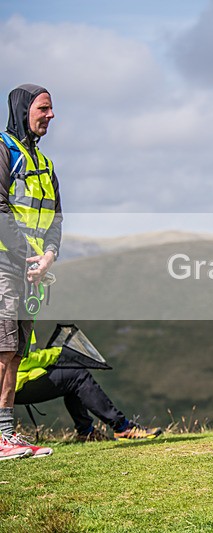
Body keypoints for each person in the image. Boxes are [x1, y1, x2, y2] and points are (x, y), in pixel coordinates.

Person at [0, 84, 62, 460]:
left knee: (17, 351)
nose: (50, 115)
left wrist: (50, 255)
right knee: (3, 348)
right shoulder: (3, 150)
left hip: (32, 269)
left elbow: (57, 217)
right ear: (24, 110)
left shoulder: (46, 164)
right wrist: (27, 257)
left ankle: (6, 434)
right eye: (44, 108)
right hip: (6, 264)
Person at [14, 336, 163, 442]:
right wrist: (57, 353)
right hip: (12, 385)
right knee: (77, 375)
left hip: (16, 381)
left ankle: (87, 432)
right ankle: (122, 427)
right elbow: (17, 361)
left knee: (71, 374)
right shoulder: (10, 312)